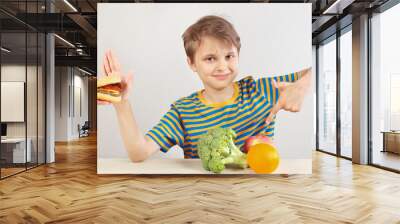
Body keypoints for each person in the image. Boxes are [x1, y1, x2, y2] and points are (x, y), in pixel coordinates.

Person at [99, 15, 311, 162]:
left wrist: (301, 86)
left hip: (260, 192)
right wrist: (121, 102)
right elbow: (138, 152)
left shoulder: (262, 90)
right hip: (204, 200)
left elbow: (313, 70)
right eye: (210, 58)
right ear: (192, 63)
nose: (222, 66)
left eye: (229, 56)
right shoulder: (183, 111)